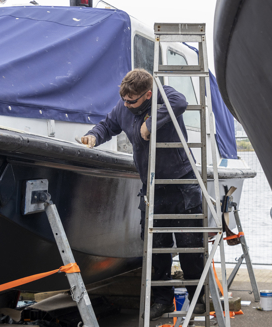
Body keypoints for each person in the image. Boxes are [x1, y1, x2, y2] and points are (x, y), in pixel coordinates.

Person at [81, 69, 205, 320]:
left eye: (132, 101)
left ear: (148, 95)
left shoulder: (162, 94)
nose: (127, 105)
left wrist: (150, 123)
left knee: (189, 246)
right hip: (152, 187)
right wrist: (94, 136)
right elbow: (108, 125)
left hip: (181, 184)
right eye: (124, 100)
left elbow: (180, 101)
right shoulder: (123, 107)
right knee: (155, 249)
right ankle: (162, 300)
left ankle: (199, 299)